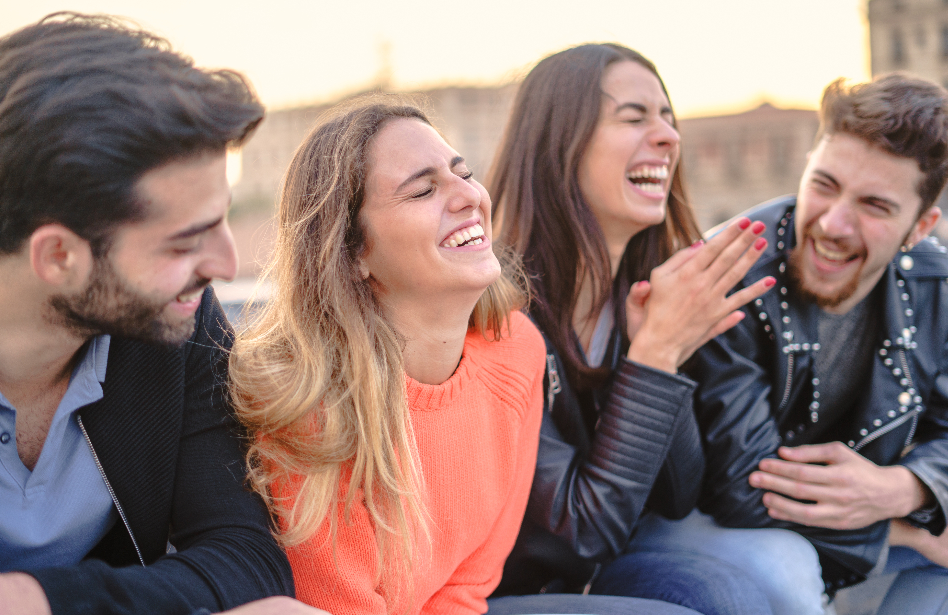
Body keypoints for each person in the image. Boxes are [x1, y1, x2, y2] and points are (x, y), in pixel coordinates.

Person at [229, 97, 702, 615]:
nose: (469, 197)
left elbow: (470, 581)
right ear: (353, 252)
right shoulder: (312, 403)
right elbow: (341, 605)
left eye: (464, 173)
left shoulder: (516, 350)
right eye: (423, 190)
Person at [0, 13, 320, 615]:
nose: (226, 264)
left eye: (222, 218)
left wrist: (42, 600)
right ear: (58, 256)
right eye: (184, 241)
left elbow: (245, 557)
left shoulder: (178, 323)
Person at [486, 43, 809, 615]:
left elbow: (677, 495)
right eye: (634, 117)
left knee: (743, 589)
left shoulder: (633, 297)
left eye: (668, 118)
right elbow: (578, 533)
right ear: (559, 143)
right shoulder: (493, 314)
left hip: (593, 572)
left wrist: (659, 350)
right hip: (507, 590)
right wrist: (654, 356)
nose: (667, 137)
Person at [674, 73, 948, 614]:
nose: (833, 223)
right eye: (823, 184)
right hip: (707, 523)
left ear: (919, 227)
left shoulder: (935, 286)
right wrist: (908, 530)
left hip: (851, 515)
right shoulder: (732, 272)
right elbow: (743, 488)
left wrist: (910, 487)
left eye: (874, 205)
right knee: (787, 571)